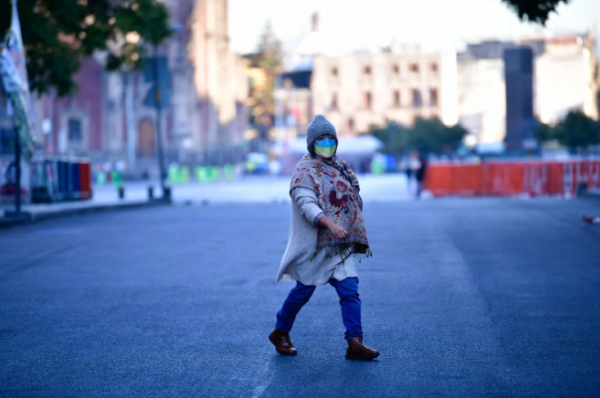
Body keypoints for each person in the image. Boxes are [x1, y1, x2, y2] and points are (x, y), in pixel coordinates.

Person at [270, 115, 379, 361]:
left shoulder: (341, 166)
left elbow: (352, 195)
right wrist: (330, 223)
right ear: (312, 144)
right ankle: (280, 332)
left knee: (350, 290)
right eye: (321, 139)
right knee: (303, 292)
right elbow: (306, 204)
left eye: (331, 139)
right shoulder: (304, 171)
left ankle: (355, 342)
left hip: (340, 245)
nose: (327, 143)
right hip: (316, 245)